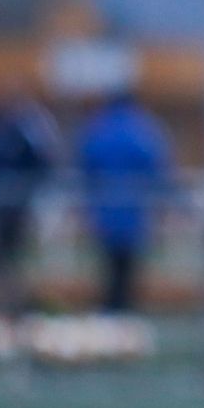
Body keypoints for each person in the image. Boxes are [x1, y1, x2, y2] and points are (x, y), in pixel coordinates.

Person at [77, 89, 171, 314]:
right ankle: (126, 316)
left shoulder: (98, 129)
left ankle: (111, 316)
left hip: (105, 213)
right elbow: (157, 171)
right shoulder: (144, 130)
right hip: (136, 214)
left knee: (109, 272)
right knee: (128, 273)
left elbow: (86, 168)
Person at [0, 79, 61, 319]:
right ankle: (6, 305)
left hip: (20, 206)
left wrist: (32, 193)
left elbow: (44, 163)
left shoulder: (30, 128)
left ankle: (20, 306)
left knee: (15, 256)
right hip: (0, 205)